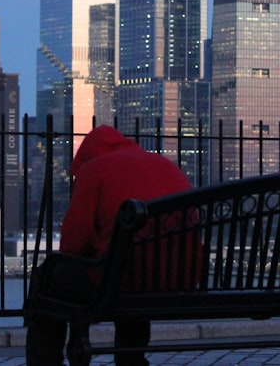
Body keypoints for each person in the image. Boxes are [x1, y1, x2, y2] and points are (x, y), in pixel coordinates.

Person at [25, 125, 194, 366]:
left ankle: (45, 362)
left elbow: (73, 245)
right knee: (133, 267)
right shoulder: (164, 164)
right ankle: (131, 359)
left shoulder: (96, 169)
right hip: (179, 278)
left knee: (47, 276)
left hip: (123, 280)